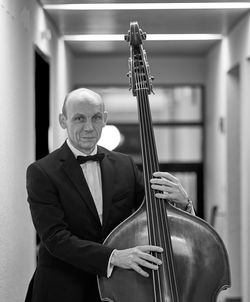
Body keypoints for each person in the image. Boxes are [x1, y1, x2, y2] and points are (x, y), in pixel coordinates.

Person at [25, 88, 195, 302]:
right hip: (62, 288)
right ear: (63, 120)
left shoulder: (126, 165)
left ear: (104, 119)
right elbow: (55, 238)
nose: (89, 127)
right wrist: (115, 257)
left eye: (96, 118)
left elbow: (155, 215)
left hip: (118, 289)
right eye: (79, 118)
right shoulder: (41, 172)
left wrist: (183, 203)